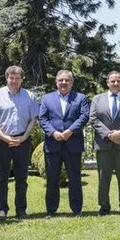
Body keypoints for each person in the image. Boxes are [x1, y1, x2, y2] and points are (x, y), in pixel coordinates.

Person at [0, 65, 39, 221]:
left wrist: (25, 136)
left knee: (21, 178)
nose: (14, 81)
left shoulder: (30, 96)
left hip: (23, 140)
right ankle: (2, 210)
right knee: (1, 178)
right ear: (6, 78)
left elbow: (33, 119)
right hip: (2, 141)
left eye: (17, 78)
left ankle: (21, 209)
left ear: (22, 79)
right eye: (11, 78)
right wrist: (3, 137)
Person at [38, 70, 89, 218]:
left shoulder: (80, 98)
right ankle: (51, 210)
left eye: (67, 80)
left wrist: (71, 130)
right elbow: (42, 118)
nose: (64, 83)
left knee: (75, 178)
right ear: (56, 82)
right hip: (53, 144)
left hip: (73, 143)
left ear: (72, 82)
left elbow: (84, 116)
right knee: (52, 178)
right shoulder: (47, 99)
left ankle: (77, 209)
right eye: (61, 80)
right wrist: (53, 133)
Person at [89, 71, 120, 216]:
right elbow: (93, 118)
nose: (115, 83)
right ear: (107, 83)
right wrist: (108, 134)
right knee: (103, 177)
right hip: (104, 144)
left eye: (118, 81)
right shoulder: (97, 99)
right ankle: (104, 206)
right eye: (112, 81)